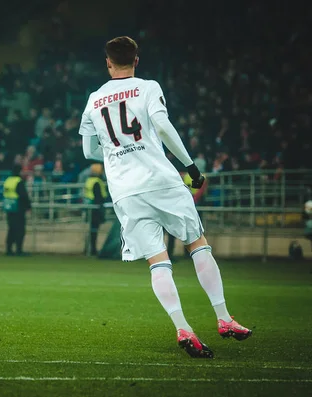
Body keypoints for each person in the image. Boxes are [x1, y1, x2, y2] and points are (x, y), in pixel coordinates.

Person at [79, 36, 251, 358]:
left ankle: (182, 326)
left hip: (126, 192)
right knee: (198, 245)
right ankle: (224, 318)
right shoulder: (147, 87)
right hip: (161, 180)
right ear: (136, 60)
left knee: (158, 262)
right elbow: (163, 127)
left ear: (107, 62)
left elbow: (89, 150)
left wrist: (113, 149)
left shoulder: (93, 99)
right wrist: (191, 167)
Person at [3, 164, 31, 256]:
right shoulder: (18, 181)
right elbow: (23, 195)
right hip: (18, 208)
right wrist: (28, 206)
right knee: (20, 230)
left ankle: (9, 249)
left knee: (11, 229)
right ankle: (19, 250)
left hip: (9, 207)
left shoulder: (7, 181)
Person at [83, 163, 107, 256]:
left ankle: (89, 249)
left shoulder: (89, 180)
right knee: (94, 230)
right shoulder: (97, 181)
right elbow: (98, 197)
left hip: (90, 207)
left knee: (92, 230)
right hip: (95, 209)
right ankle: (92, 249)